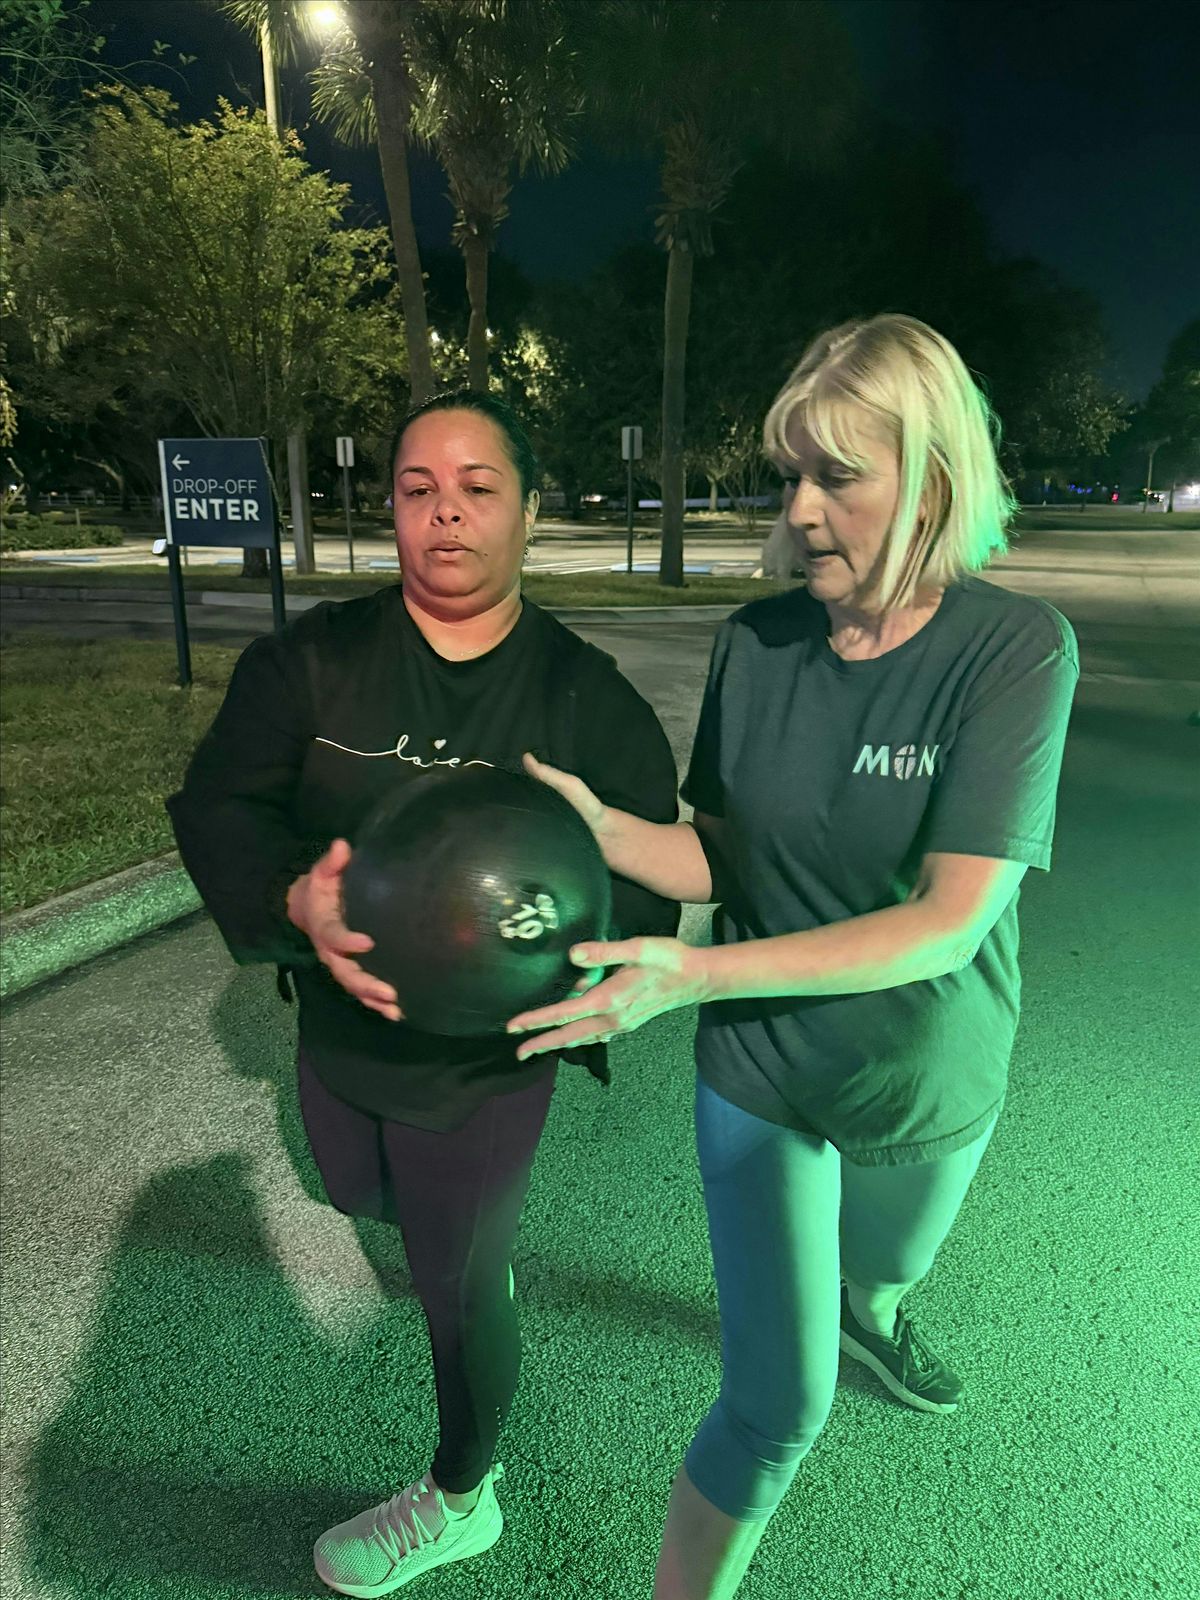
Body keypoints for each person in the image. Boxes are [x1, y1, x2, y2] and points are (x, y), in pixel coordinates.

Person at [508, 314, 1079, 1600]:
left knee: (888, 1265)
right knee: (778, 1405)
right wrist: (604, 831)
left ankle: (877, 1309)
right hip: (759, 1073)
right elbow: (721, 854)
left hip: (927, 1068)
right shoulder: (756, 643)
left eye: (838, 475)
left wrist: (693, 973)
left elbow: (948, 919)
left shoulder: (1015, 648)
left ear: (931, 477)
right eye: (791, 476)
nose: (802, 510)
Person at [165, 390, 679, 1597]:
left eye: (478, 487)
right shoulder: (311, 662)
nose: (445, 510)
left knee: (456, 1279)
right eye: (417, 488)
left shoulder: (584, 697)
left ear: (529, 511)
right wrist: (292, 900)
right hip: (340, 1029)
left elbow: (644, 874)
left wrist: (597, 977)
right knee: (357, 1190)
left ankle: (462, 1492)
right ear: (391, 509)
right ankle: (458, 1249)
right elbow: (223, 803)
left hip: (484, 1064)